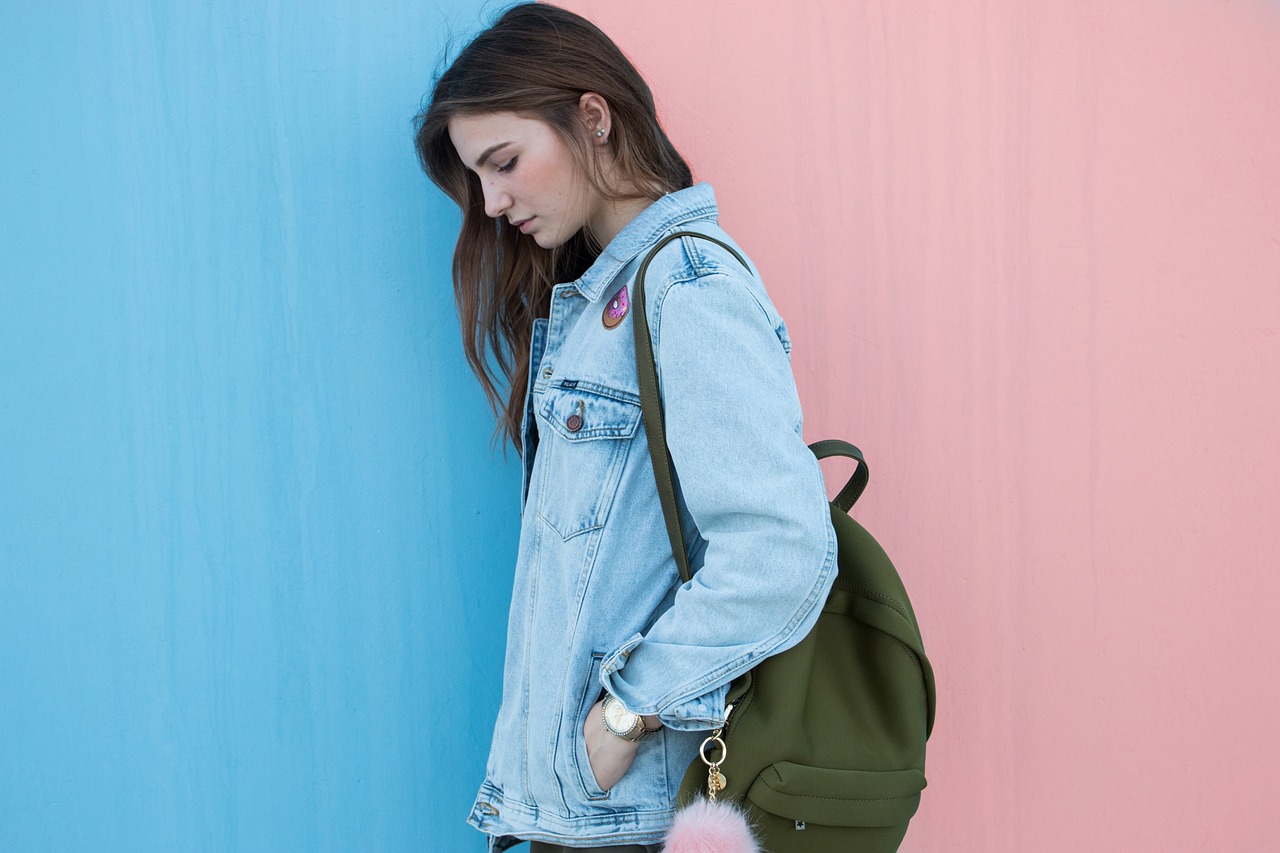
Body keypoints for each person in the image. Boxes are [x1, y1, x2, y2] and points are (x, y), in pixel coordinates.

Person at [413, 5, 838, 851]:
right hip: (580, 814)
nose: (493, 202)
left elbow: (781, 548)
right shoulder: (595, 306)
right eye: (479, 178)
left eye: (505, 162)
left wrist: (626, 711)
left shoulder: (686, 287)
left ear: (592, 117)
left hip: (635, 817)